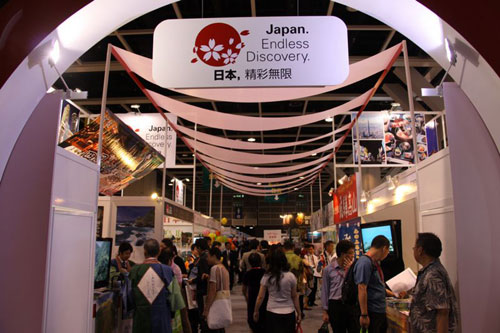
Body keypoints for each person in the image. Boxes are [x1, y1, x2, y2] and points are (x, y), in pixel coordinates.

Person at [129, 239, 184, 333]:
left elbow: (129, 298)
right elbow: (176, 300)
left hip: (141, 319)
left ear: (144, 251)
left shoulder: (135, 270)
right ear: (159, 251)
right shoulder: (167, 271)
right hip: (162, 319)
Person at [408, 233, 459, 333]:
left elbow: (442, 311)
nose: (413, 250)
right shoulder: (429, 271)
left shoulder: (432, 275)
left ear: (420, 250)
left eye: (414, 248)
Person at [354, 235, 397, 333]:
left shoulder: (374, 263)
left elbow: (377, 286)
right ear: (384, 248)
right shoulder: (364, 262)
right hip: (372, 312)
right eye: (387, 251)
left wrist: (394, 294)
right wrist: (364, 315)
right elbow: (362, 288)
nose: (387, 254)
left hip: (378, 311)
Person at [253, 248, 301, 333]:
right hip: (289, 312)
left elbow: (260, 296)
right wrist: (299, 312)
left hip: (272, 312)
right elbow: (294, 296)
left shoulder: (267, 276)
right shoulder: (291, 276)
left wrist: (256, 311)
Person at [321, 240, 358, 333]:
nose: (352, 255)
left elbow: (358, 285)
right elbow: (325, 291)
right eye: (350, 253)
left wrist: (350, 270)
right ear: (343, 254)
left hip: (351, 305)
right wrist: (325, 311)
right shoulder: (328, 270)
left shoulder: (354, 268)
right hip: (335, 306)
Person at [202, 246, 232, 333]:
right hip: (224, 302)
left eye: (208, 256)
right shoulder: (224, 268)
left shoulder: (215, 269)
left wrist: (206, 310)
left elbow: (212, 291)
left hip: (216, 303)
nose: (207, 259)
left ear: (214, 256)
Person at [242, 252, 267, 332]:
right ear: (260, 261)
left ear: (249, 262)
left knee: (252, 319)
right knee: (263, 317)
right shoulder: (265, 273)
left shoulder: (248, 273)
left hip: (252, 298)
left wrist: (246, 297)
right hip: (264, 298)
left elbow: (244, 289)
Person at [283, 241, 306, 318]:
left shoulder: (281, 257)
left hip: (282, 285)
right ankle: (298, 314)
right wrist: (301, 285)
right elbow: (302, 273)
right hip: (296, 285)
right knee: (296, 300)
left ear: (284, 248)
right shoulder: (298, 259)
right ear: (293, 248)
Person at [193, 238, 211, 332]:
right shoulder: (207, 256)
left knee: (203, 312)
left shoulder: (203, 258)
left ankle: (205, 329)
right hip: (205, 290)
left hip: (202, 290)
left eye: (196, 248)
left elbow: (203, 275)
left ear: (199, 248)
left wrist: (193, 280)